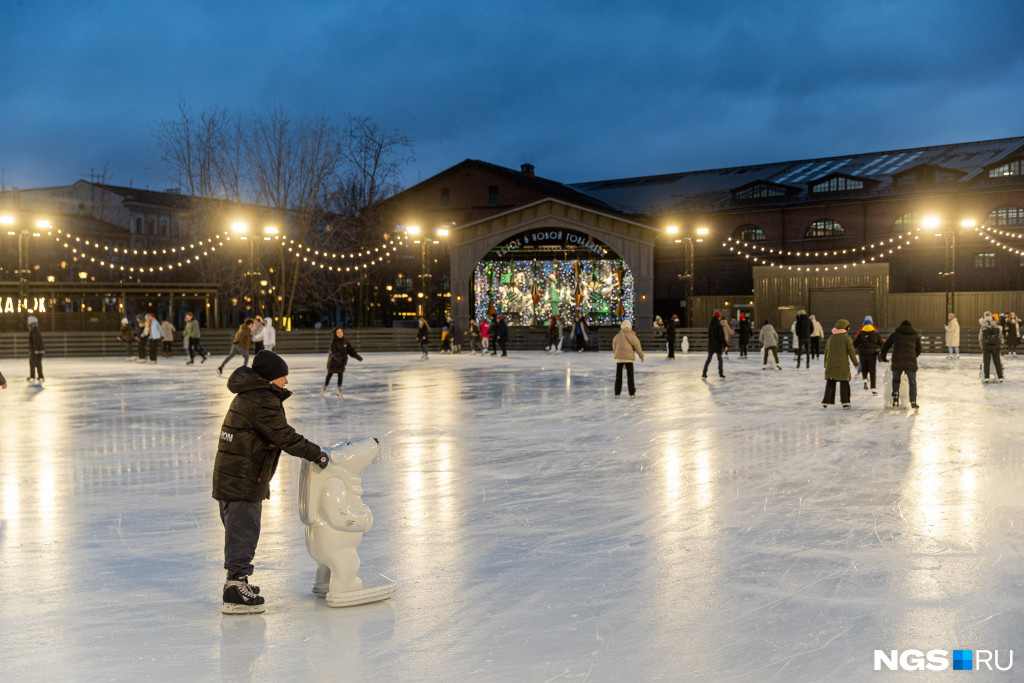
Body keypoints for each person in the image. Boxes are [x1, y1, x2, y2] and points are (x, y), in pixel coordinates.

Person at [212, 350, 330, 614]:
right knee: (243, 530)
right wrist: (315, 454)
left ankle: (238, 580)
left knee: (241, 529)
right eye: (282, 376)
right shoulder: (261, 399)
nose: (286, 381)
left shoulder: (252, 395)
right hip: (242, 477)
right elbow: (283, 435)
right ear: (270, 378)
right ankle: (234, 588)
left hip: (235, 474)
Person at [881, 319, 922, 408]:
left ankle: (895, 394)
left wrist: (883, 357)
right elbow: (919, 349)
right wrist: (913, 357)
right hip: (910, 362)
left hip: (897, 360)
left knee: (896, 380)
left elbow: (886, 346)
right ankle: (913, 401)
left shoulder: (895, 334)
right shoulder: (915, 335)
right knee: (912, 382)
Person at [822, 319, 858, 409]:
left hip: (831, 364)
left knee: (830, 381)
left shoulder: (831, 338)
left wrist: (826, 364)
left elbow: (826, 351)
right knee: (844, 381)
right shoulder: (846, 337)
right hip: (842, 364)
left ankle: (826, 401)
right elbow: (851, 352)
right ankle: (845, 401)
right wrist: (855, 363)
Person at [321, 328, 363, 397]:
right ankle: (325, 388)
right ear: (336, 334)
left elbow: (351, 350)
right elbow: (334, 353)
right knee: (329, 375)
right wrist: (341, 359)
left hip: (342, 362)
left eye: (341, 332)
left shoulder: (346, 341)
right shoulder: (333, 342)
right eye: (338, 332)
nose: (340, 334)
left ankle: (339, 390)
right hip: (333, 362)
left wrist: (358, 357)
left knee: (340, 375)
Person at [611, 320, 644, 397]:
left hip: (619, 358)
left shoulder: (617, 336)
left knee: (618, 376)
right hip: (629, 358)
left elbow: (614, 346)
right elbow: (637, 346)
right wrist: (641, 356)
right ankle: (632, 393)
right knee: (630, 376)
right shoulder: (632, 336)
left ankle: (617, 393)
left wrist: (616, 354)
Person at [853, 320, 882, 395]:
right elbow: (882, 344)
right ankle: (873, 388)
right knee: (872, 371)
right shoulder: (876, 334)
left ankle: (865, 380)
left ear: (864, 326)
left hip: (862, 354)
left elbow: (854, 345)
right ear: (872, 326)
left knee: (864, 368)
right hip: (872, 354)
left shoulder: (860, 334)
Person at [978, 311, 1004, 382]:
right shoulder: (995, 325)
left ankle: (986, 377)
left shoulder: (983, 326)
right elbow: (1000, 336)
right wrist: (1000, 345)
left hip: (986, 347)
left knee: (986, 362)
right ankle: (1000, 377)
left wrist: (982, 347)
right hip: (995, 346)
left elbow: (980, 338)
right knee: (997, 362)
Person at [702, 312, 727, 380]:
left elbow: (709, 336)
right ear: (718, 317)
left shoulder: (710, 325)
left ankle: (704, 374)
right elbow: (721, 337)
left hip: (711, 345)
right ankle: (721, 374)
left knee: (708, 359)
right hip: (718, 345)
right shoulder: (719, 326)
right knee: (720, 360)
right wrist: (725, 345)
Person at [27, 315, 45, 383]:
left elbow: (35, 340)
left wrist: (36, 349)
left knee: (33, 363)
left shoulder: (34, 329)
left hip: (36, 350)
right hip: (39, 349)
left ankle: (33, 376)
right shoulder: (36, 328)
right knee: (38, 363)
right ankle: (40, 376)